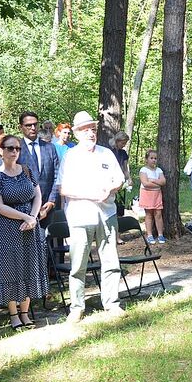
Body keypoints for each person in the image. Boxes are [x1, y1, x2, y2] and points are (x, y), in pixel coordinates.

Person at [56, 111, 127, 323]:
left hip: (107, 214)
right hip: (80, 216)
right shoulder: (71, 156)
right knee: (78, 264)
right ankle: (77, 307)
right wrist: (90, 195)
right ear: (77, 133)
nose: (91, 133)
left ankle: (112, 303)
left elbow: (120, 179)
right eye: (86, 130)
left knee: (111, 260)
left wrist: (110, 189)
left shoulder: (106, 153)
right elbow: (64, 189)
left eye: (93, 129)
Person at [0, 134, 49, 331]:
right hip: (8, 227)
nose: (14, 151)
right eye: (10, 148)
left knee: (28, 266)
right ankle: (14, 314)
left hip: (30, 227)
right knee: (11, 268)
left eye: (17, 148)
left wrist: (32, 217)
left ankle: (25, 313)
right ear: (0, 151)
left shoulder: (26, 171)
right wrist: (24, 217)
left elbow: (37, 195)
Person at [15, 111, 61, 223]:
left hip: (48, 206)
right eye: (28, 125)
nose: (33, 128)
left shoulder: (50, 148)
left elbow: (57, 175)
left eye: (35, 124)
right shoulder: (15, 149)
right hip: (23, 209)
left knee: (48, 240)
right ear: (21, 127)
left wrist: (51, 200)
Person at [139, 149, 166, 244]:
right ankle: (149, 235)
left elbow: (163, 182)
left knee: (158, 214)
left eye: (155, 158)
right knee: (149, 214)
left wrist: (153, 180)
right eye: (151, 158)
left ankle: (160, 234)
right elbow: (145, 184)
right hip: (146, 194)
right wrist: (157, 183)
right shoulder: (143, 170)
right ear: (147, 159)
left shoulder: (159, 170)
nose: (153, 160)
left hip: (157, 194)